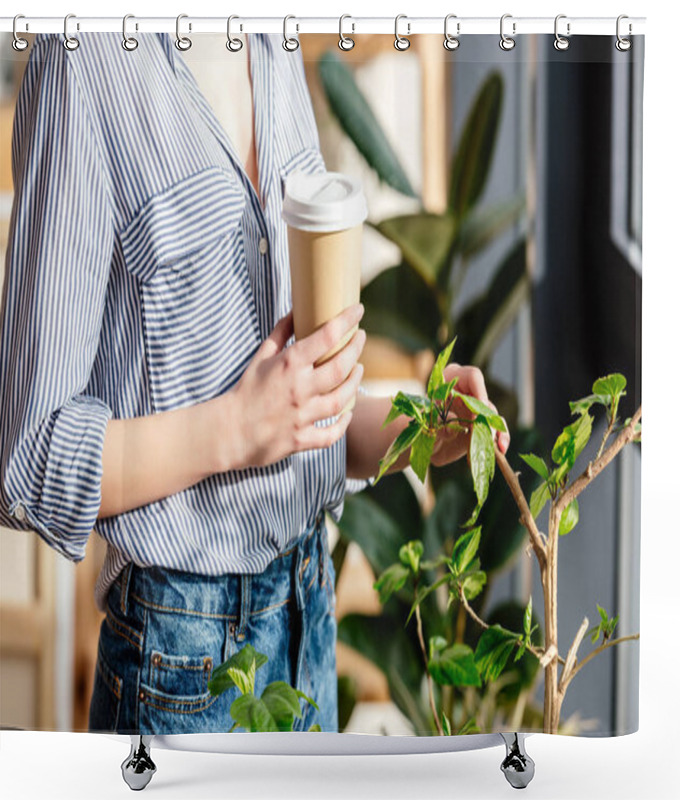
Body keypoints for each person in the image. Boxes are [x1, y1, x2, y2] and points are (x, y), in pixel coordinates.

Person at [0, 32, 510, 735]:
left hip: (309, 617)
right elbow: (30, 464)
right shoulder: (82, 61)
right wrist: (238, 427)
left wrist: (418, 428)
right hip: (182, 660)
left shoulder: (271, 42)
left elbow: (296, 409)